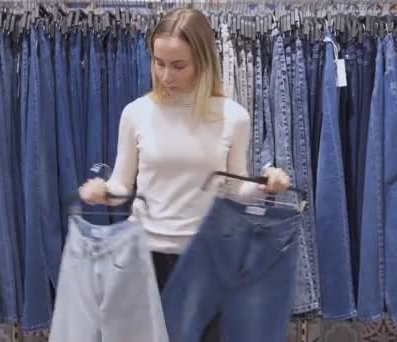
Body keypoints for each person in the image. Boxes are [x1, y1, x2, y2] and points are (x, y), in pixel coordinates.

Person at [78, 7, 290, 340]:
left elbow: (235, 190)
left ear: (203, 62)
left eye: (178, 66)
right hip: (142, 258)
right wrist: (103, 191)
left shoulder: (233, 118)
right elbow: (122, 184)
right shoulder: (136, 113)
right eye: (158, 62)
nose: (165, 76)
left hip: (206, 259)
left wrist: (266, 185)